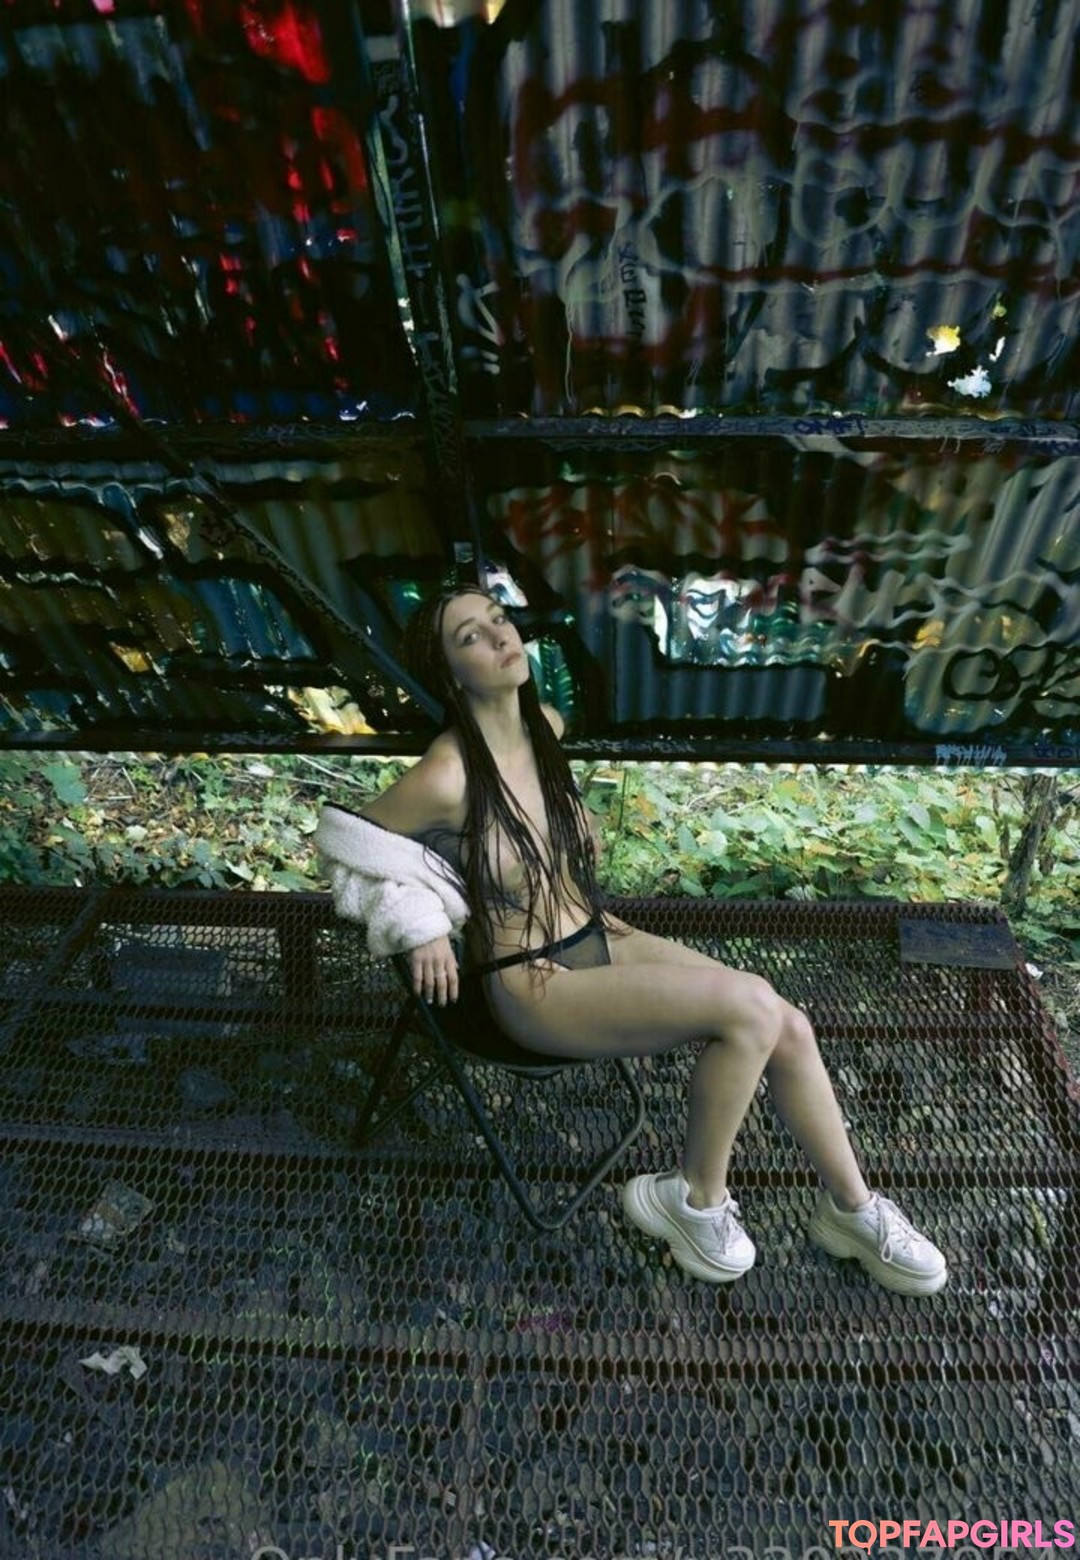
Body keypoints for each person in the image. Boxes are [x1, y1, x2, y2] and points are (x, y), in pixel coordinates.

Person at [317, 585, 947, 1296]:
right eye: (471, 637)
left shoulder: (544, 727)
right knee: (748, 1013)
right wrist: (419, 924)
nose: (499, 637)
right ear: (449, 672)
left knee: (786, 1021)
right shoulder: (447, 773)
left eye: (499, 620)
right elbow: (346, 845)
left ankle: (853, 1211)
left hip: (599, 933)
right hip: (531, 981)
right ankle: (694, 1199)